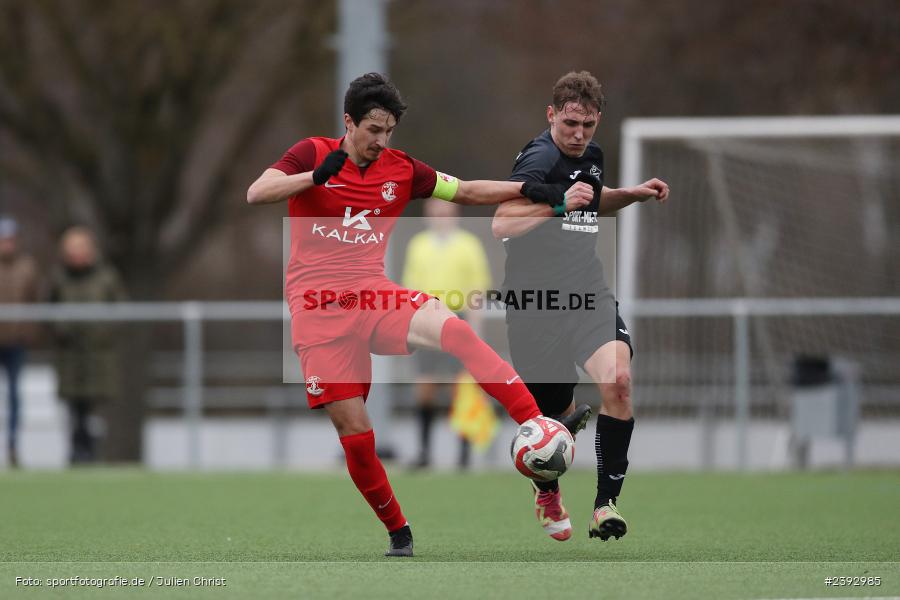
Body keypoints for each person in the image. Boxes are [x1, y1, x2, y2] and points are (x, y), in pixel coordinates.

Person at [247, 72, 590, 557]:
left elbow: (467, 191)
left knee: (457, 332)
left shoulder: (401, 169)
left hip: (371, 295)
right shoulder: (312, 152)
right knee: (356, 435)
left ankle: (539, 430)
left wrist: (540, 191)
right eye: (373, 130)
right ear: (349, 122)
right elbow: (257, 192)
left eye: (389, 131)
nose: (381, 141)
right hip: (317, 311)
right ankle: (399, 531)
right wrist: (315, 177)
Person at [492, 71, 670, 542]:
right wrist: (557, 206)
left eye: (588, 126)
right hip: (536, 307)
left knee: (619, 382)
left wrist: (630, 195)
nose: (578, 135)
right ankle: (547, 490)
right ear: (551, 115)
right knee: (552, 424)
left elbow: (589, 202)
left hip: (587, 294)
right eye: (570, 123)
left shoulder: (592, 156)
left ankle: (604, 505)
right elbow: (502, 222)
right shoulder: (539, 159)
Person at [401, 198, 492, 470]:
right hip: (426, 320)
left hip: (457, 319)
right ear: (428, 215)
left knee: (461, 388)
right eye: (436, 212)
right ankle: (424, 452)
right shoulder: (418, 245)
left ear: (455, 214)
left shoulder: (469, 245)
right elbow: (409, 291)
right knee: (425, 387)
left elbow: (477, 291)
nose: (441, 217)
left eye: (446, 212)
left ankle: (464, 455)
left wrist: (475, 331)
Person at [49, 226, 128, 464]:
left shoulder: (106, 277)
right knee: (74, 408)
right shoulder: (58, 278)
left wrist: (103, 332)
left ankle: (94, 452)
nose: (76, 254)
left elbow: (122, 308)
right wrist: (61, 329)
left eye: (80, 248)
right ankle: (76, 452)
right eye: (72, 249)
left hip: (98, 354)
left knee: (96, 407)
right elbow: (47, 308)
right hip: (70, 354)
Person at [0, 217, 39, 468]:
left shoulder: (27, 267)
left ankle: (13, 445)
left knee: (15, 395)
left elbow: (34, 301)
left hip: (16, 341)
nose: (6, 244)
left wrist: (28, 331)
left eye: (10, 239)